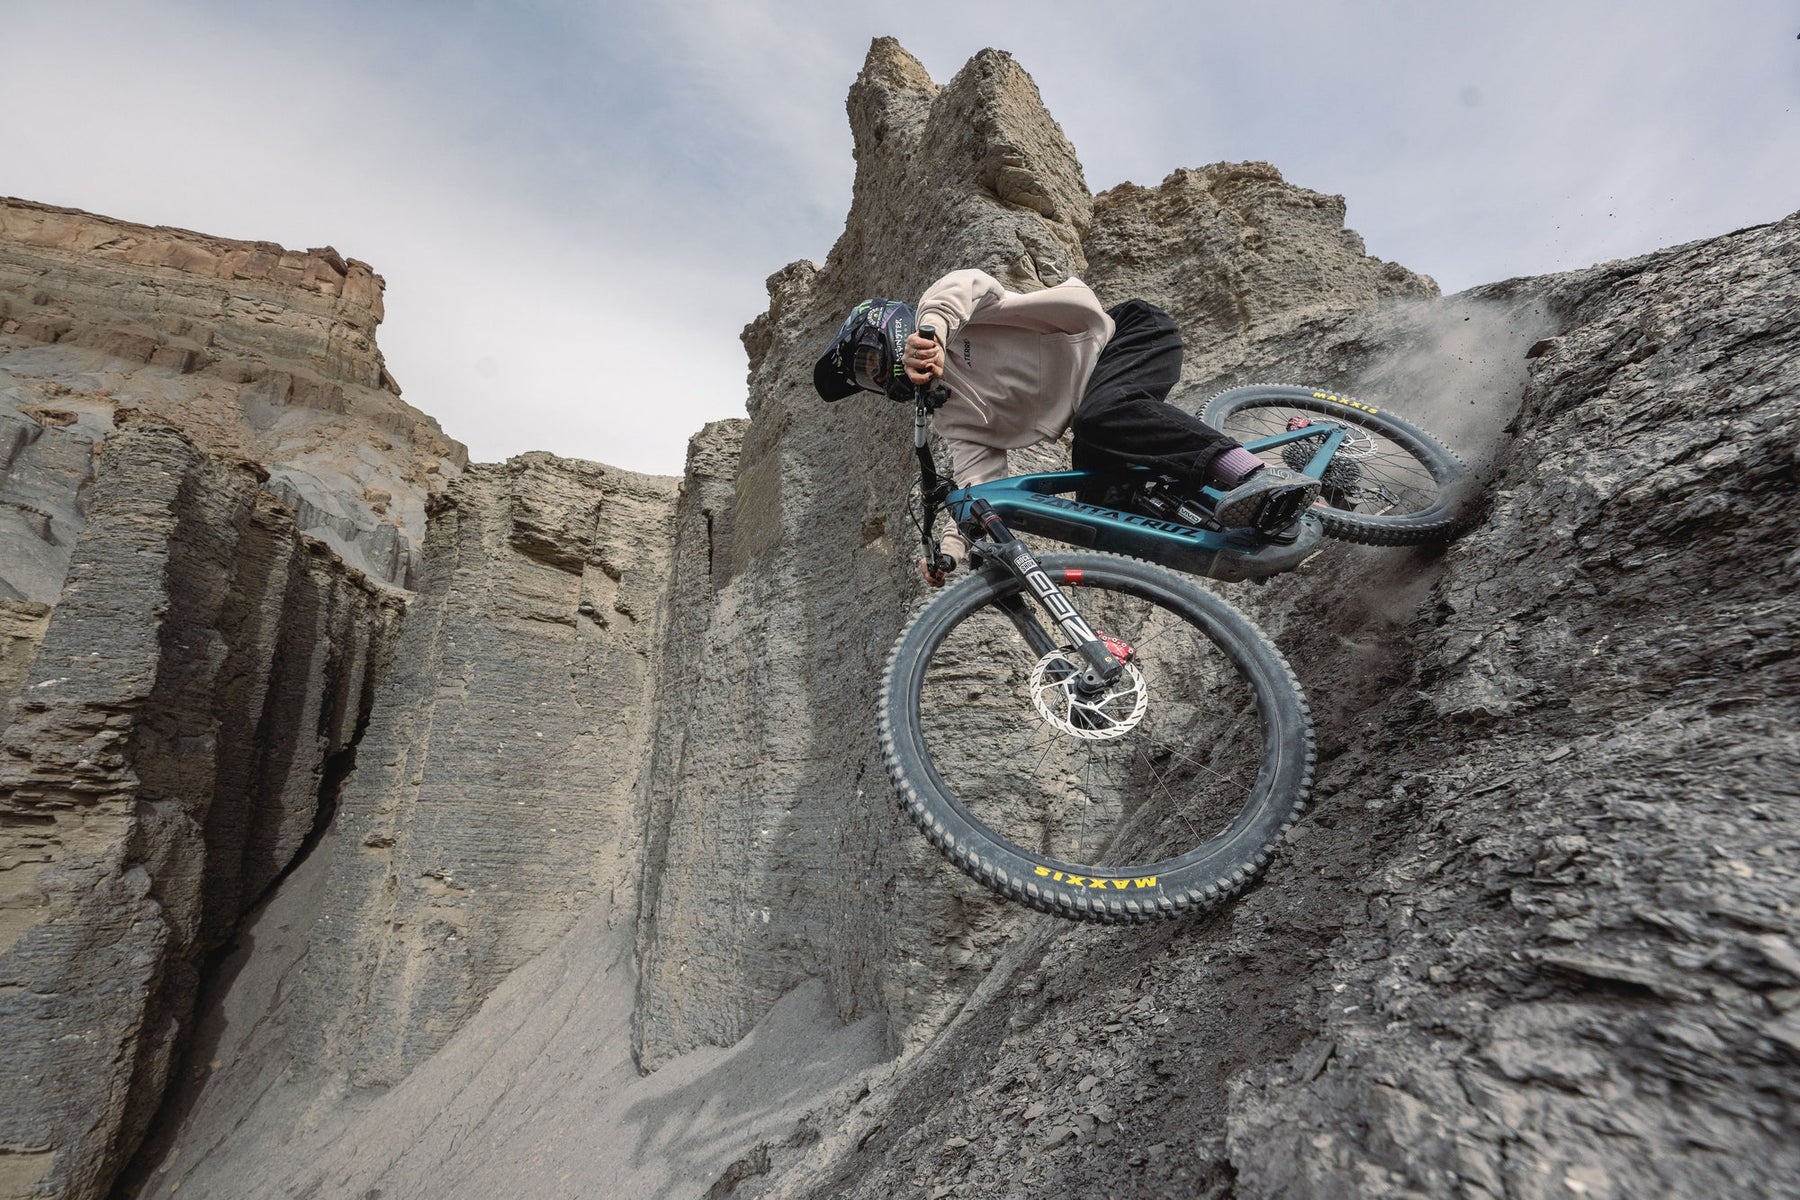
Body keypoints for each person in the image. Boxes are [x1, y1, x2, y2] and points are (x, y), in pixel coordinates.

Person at [813, 269, 1319, 584]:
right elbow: (976, 481)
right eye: (870, 381)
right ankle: (1245, 542)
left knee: (1104, 416)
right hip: (1101, 417)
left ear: (887, 327)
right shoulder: (951, 415)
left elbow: (966, 284)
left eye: (868, 363)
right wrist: (950, 550)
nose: (879, 377)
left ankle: (1255, 475)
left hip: (1124, 339)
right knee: (1106, 514)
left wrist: (934, 331)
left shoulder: (947, 314)